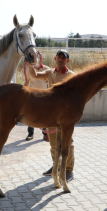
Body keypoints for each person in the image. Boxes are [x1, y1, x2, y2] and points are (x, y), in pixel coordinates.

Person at [28, 49, 75, 182]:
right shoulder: (49, 73)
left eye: (63, 58)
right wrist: (31, 64)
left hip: (65, 115)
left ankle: (69, 170)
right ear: (55, 59)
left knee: (67, 143)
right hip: (51, 114)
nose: (60, 59)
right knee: (53, 143)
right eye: (58, 57)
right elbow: (36, 75)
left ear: (68, 61)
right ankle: (57, 166)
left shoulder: (72, 76)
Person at [25, 52, 51, 141]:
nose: (38, 59)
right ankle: (30, 134)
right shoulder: (29, 70)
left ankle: (45, 134)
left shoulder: (47, 70)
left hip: (44, 97)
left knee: (44, 115)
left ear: (42, 58)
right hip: (32, 97)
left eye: (39, 57)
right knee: (30, 115)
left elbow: (50, 83)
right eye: (36, 58)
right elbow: (26, 82)